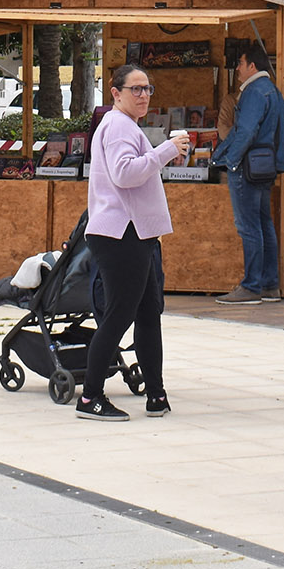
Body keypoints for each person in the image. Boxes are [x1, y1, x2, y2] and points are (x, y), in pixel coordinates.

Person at [79, 64, 189, 421]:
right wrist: (166, 150)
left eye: (147, 89)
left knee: (146, 315)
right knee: (119, 316)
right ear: (115, 92)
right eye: (135, 89)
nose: (143, 96)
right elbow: (125, 174)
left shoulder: (125, 126)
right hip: (119, 234)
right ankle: (90, 398)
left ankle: (156, 394)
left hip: (135, 233)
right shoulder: (117, 125)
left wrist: (162, 153)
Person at [209, 43, 284, 305]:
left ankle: (251, 286)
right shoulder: (273, 92)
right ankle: (269, 285)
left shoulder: (253, 92)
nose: (238, 69)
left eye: (240, 64)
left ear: (252, 66)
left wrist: (230, 160)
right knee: (264, 224)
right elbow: (279, 132)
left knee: (249, 227)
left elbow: (246, 131)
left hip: (246, 167)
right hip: (265, 167)